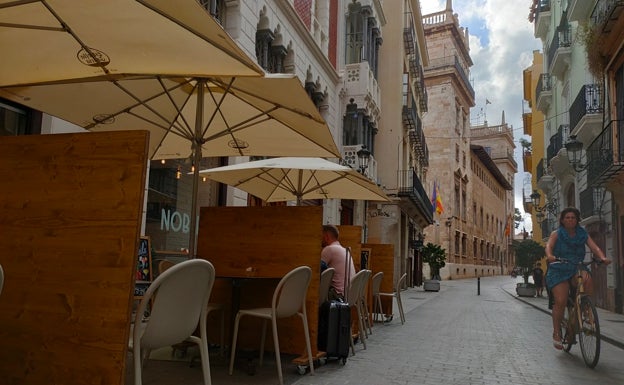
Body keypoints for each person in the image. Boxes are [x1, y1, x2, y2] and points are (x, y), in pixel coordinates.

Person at [545, 207, 611, 350]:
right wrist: (550, 256)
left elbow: (595, 248)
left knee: (587, 278)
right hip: (559, 267)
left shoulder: (583, 234)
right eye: (567, 217)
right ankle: (556, 332)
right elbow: (549, 246)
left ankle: (585, 308)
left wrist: (603, 257)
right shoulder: (557, 233)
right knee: (561, 301)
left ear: (577, 220)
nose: (570, 220)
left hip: (576, 266)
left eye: (573, 218)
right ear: (562, 220)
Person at [321, 224, 356, 301]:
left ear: (326, 236)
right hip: (349, 295)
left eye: (321, 236)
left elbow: (317, 272)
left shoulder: (329, 249)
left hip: (337, 295)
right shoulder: (345, 250)